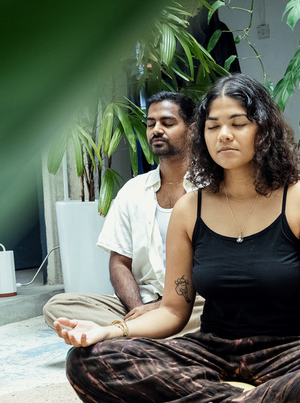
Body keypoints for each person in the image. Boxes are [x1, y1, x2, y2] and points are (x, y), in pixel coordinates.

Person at [53, 73, 300, 403]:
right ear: (200, 136)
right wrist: (110, 332)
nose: (224, 134)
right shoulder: (190, 207)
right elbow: (173, 310)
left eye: (238, 123)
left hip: (288, 350)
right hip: (212, 350)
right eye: (213, 126)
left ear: (263, 130)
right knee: (86, 361)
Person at [44, 92, 203, 333]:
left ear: (192, 130)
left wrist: (163, 308)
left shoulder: (210, 188)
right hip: (141, 303)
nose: (156, 130)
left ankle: (127, 335)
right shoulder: (133, 190)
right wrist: (140, 309)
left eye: (167, 123)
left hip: (194, 302)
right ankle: (146, 333)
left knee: (222, 306)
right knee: (58, 306)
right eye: (151, 124)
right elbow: (119, 263)